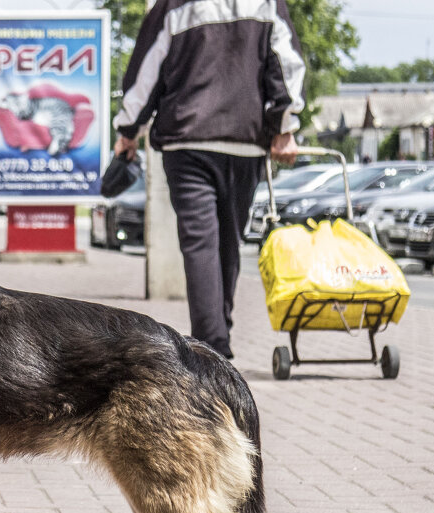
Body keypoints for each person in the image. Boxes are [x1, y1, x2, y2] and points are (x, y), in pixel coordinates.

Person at [113, 0, 305, 359]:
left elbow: (146, 72)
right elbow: (286, 63)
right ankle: (218, 338)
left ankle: (211, 347)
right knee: (228, 241)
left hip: (188, 139)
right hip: (244, 141)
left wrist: (128, 128)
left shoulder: (173, 5)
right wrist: (285, 125)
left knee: (199, 242)